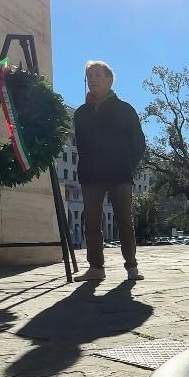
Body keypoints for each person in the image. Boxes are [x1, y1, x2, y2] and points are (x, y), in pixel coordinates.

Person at [73, 60, 147, 281]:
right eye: (89, 76)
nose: (92, 79)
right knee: (92, 222)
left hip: (120, 175)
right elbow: (81, 144)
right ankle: (96, 268)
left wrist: (127, 164)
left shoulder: (125, 109)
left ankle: (132, 267)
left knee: (124, 220)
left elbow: (139, 143)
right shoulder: (81, 113)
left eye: (97, 74)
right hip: (91, 177)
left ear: (109, 79)